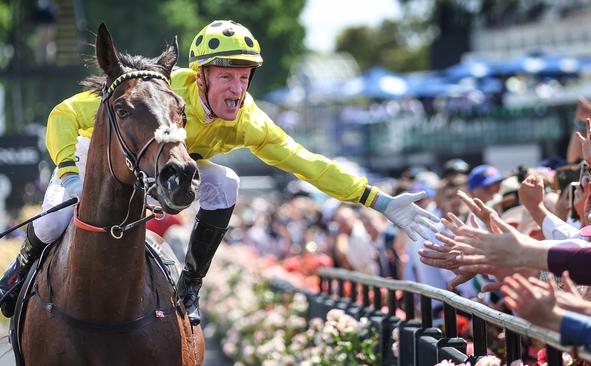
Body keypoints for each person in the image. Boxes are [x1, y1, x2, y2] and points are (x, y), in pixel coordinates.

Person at [0, 20, 439, 324]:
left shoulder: (251, 122)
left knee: (227, 182)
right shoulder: (160, 93)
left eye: (244, 77)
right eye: (226, 76)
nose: (237, 89)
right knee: (59, 214)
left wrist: (377, 200)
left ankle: (190, 284)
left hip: (172, 166)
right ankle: (20, 270)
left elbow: (311, 164)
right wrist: (69, 170)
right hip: (96, 155)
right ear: (202, 76)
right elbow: (61, 114)